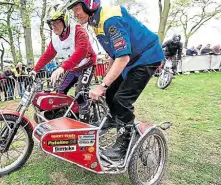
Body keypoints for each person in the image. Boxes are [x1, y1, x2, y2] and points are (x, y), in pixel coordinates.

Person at [67, 0, 165, 161]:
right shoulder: (95, 22)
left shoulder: (110, 20)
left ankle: (124, 144)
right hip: (131, 59)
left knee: (122, 100)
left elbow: (123, 57)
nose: (75, 14)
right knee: (111, 92)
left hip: (146, 57)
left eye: (77, 9)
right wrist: (107, 82)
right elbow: (114, 54)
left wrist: (102, 85)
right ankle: (113, 119)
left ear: (89, 5)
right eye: (73, 10)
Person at [31, 4, 97, 123]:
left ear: (65, 20)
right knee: (59, 93)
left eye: (56, 22)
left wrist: (62, 68)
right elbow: (48, 54)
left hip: (87, 64)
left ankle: (85, 124)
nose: (53, 26)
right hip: (73, 68)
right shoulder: (55, 38)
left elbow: (81, 52)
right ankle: (68, 116)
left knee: (80, 93)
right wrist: (35, 70)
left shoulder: (78, 31)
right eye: (51, 23)